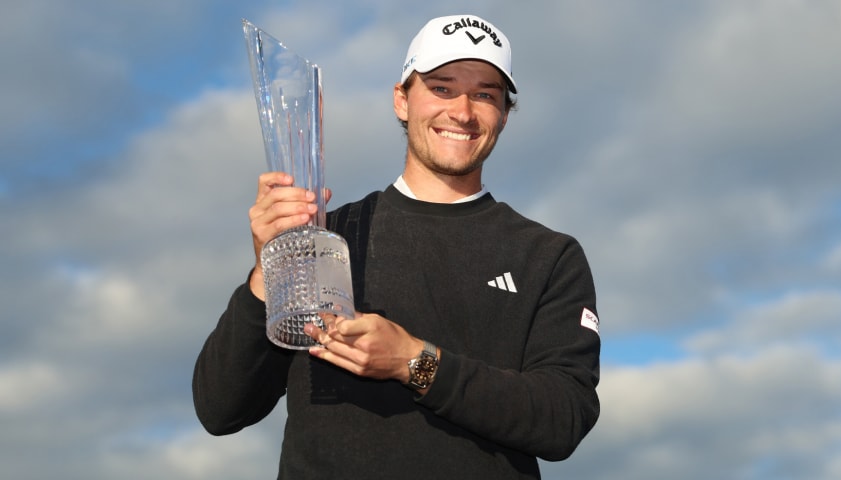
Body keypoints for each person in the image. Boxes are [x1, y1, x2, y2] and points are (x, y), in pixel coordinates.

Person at [193, 14, 600, 480]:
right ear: (401, 100)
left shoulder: (547, 256)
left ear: (504, 114)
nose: (462, 112)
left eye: (485, 94)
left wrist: (414, 362)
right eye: (442, 88)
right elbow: (220, 409)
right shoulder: (326, 238)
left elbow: (563, 419)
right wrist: (270, 270)